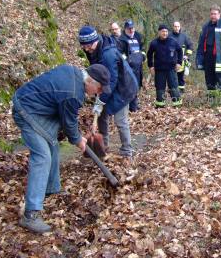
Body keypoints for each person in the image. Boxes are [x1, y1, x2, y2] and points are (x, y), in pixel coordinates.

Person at [12, 63, 111, 233]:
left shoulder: (72, 71)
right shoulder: (73, 93)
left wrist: (77, 136)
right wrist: (78, 140)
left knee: (52, 144)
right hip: (26, 110)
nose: (99, 93)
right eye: (100, 89)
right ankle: (30, 215)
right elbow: (69, 123)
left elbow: (66, 117)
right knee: (42, 157)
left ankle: (51, 188)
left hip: (37, 109)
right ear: (90, 81)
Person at [79, 26, 135, 158]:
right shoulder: (93, 50)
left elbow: (112, 80)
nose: (87, 49)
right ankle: (102, 147)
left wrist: (101, 100)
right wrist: (99, 97)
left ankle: (127, 151)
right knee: (102, 115)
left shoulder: (108, 54)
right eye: (84, 47)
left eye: (88, 46)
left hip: (123, 87)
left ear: (95, 40)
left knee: (120, 120)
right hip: (107, 85)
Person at [147, 24, 183, 108]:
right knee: (160, 88)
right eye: (163, 31)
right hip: (159, 70)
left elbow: (180, 51)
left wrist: (179, 63)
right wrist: (151, 66)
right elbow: (149, 55)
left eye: (166, 31)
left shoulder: (173, 41)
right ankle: (160, 106)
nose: (165, 33)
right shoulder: (154, 43)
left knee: (174, 87)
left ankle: (177, 105)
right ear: (159, 32)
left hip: (171, 69)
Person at [118, 19, 145, 112]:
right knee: (129, 87)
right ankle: (130, 107)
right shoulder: (121, 39)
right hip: (128, 69)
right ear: (125, 29)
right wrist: (128, 60)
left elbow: (142, 48)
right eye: (129, 28)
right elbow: (120, 53)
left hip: (138, 67)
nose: (131, 30)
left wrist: (143, 56)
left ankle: (134, 105)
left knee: (136, 86)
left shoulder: (138, 36)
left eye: (132, 28)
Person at [170, 21, 194, 93]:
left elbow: (190, 46)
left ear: (180, 27)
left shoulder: (184, 36)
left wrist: (187, 55)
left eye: (178, 26)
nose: (177, 28)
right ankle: (172, 90)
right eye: (175, 26)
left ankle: (181, 90)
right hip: (171, 60)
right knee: (172, 76)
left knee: (181, 76)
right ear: (173, 27)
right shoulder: (169, 36)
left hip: (181, 60)